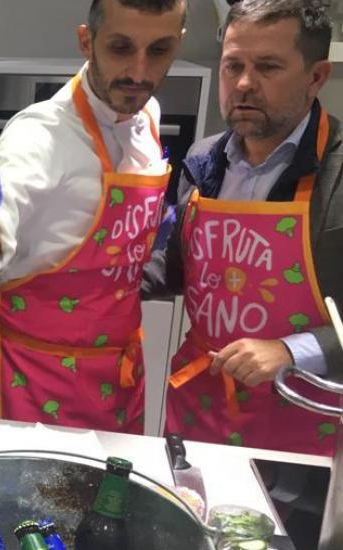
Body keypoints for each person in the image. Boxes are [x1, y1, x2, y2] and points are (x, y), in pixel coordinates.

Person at [0, 0, 186, 433]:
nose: (140, 72)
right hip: (36, 377)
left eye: (159, 50)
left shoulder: (148, 116)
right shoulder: (40, 136)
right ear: (86, 41)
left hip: (119, 371)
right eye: (121, 48)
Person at [144, 0, 340, 455]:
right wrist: (105, 275)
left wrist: (293, 350)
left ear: (316, 77)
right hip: (201, 408)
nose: (245, 84)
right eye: (234, 66)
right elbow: (179, 268)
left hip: (306, 418)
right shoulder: (203, 159)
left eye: (268, 67)